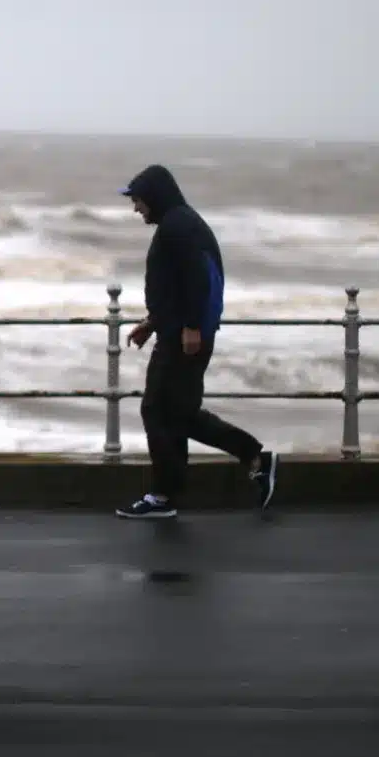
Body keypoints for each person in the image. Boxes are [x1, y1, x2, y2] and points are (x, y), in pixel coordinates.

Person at [115, 164, 277, 518]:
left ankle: (164, 496)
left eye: (138, 200)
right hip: (180, 332)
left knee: (157, 410)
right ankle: (250, 458)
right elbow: (175, 287)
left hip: (185, 338)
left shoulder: (179, 227)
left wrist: (190, 327)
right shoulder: (180, 224)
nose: (136, 208)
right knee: (178, 414)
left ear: (154, 196)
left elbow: (197, 281)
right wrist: (153, 322)